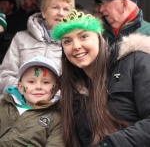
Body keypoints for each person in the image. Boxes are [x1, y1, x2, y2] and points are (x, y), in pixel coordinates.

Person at [51, 9, 150, 147]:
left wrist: (108, 144)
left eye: (84, 36)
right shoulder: (71, 91)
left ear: (99, 37)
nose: (76, 46)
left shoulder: (135, 61)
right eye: (67, 41)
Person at [0, 0, 75, 93]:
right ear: (43, 12)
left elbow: (79, 81)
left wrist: (56, 94)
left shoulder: (75, 43)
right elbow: (5, 76)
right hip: (21, 104)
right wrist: (26, 92)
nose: (61, 13)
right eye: (55, 7)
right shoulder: (20, 38)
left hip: (60, 105)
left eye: (66, 9)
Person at [0, 56, 65, 146]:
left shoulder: (58, 117)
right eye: (31, 82)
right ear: (21, 87)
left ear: (56, 89)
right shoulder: (4, 103)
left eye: (45, 82)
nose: (38, 87)